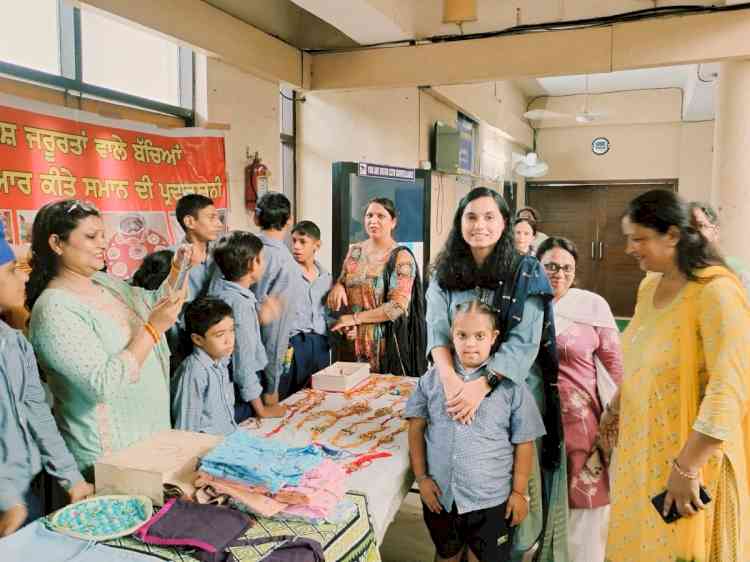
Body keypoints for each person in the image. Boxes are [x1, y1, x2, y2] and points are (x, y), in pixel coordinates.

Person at [603, 189, 750, 561]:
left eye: (639, 239)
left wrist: (687, 469)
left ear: (672, 235)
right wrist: (615, 406)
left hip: (693, 466)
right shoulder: (649, 286)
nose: (630, 248)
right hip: (643, 454)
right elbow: (641, 361)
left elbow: (729, 388)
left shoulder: (715, 293)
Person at [426, 187, 565, 562]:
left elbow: (523, 342)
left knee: (506, 495)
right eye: (471, 217)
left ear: (505, 224)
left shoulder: (527, 271)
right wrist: (454, 382)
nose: (479, 225)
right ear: (459, 222)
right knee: (455, 476)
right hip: (452, 387)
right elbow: (437, 329)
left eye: (490, 217)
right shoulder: (443, 270)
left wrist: (481, 386)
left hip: (508, 389)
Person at [26, 200, 189, 479]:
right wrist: (152, 330)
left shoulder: (104, 283)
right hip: (111, 454)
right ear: (57, 243)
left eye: (103, 235)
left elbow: (152, 304)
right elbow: (101, 383)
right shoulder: (54, 310)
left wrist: (179, 270)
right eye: (91, 237)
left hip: (151, 438)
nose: (103, 244)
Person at [407, 300, 545, 562]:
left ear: (493, 337)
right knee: (446, 553)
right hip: (441, 497)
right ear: (451, 335)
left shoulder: (511, 386)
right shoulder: (433, 379)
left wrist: (518, 492)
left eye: (479, 336)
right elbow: (416, 427)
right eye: (462, 335)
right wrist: (422, 478)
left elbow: (524, 442)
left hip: (492, 501)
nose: (470, 344)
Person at [0, 222, 94, 537]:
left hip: (22, 491)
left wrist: (72, 478)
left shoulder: (14, 343)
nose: (24, 276)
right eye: (13, 270)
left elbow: (36, 409)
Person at [536, 237, 624, 562]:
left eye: (567, 268)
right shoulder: (527, 304)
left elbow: (616, 365)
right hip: (535, 421)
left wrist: (619, 414)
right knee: (539, 499)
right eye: (551, 266)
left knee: (584, 499)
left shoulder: (591, 306)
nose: (559, 274)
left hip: (582, 423)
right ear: (537, 267)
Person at [328, 197, 426, 376]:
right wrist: (338, 286)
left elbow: (397, 307)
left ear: (393, 222)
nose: (373, 220)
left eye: (381, 216)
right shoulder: (355, 251)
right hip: (351, 342)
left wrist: (354, 318)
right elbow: (344, 280)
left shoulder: (401, 258)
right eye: (369, 215)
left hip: (384, 347)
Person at [209, 231, 285, 422]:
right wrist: (262, 410)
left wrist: (258, 318)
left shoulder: (224, 293)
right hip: (240, 397)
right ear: (252, 264)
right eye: (262, 259)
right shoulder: (241, 305)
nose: (265, 264)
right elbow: (244, 364)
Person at [251, 193, 304, 406]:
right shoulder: (286, 264)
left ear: (256, 218)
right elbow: (276, 332)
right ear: (289, 220)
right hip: (259, 370)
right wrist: (272, 386)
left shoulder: (238, 249)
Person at [278, 221, 332, 400]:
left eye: (302, 241)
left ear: (317, 245)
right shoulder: (285, 274)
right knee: (288, 395)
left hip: (320, 345)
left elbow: (327, 313)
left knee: (318, 395)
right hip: (293, 344)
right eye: (293, 241)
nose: (296, 246)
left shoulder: (326, 278)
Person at [172, 297, 239, 435]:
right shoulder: (194, 371)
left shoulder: (220, 359)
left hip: (227, 438)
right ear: (198, 339)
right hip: (207, 449)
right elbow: (186, 428)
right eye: (220, 335)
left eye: (232, 330)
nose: (229, 340)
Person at [688, 200, 750, 294]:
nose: (694, 235)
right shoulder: (681, 271)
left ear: (715, 231)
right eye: (689, 229)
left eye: (700, 226)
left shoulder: (737, 269)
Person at [174, 194, 224, 299]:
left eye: (218, 218)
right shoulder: (172, 259)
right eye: (212, 218)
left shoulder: (222, 254)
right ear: (189, 222)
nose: (219, 224)